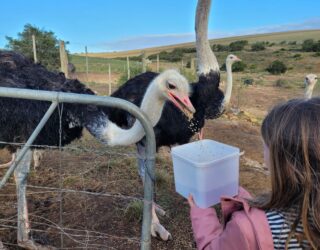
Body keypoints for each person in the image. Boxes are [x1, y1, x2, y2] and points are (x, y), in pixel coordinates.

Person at [187, 98, 320, 249]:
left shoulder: (246, 229)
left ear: (282, 159)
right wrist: (237, 193)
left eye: (265, 146)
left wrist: (201, 209)